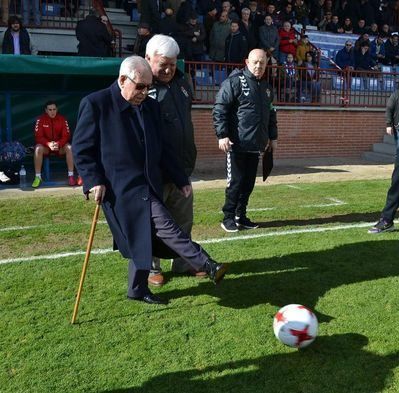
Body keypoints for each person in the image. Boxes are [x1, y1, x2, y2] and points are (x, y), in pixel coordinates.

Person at [72, 56, 227, 304]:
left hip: (149, 183)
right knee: (165, 226)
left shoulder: (151, 107)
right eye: (140, 86)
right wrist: (93, 181)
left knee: (141, 235)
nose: (144, 92)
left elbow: (164, 148)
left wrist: (180, 178)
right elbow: (82, 149)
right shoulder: (96, 104)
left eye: (148, 86)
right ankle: (207, 264)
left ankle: (137, 289)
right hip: (119, 189)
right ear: (123, 80)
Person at [145, 34, 205, 286]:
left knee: (182, 220)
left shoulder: (182, 83)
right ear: (148, 59)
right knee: (151, 223)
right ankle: (150, 267)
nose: (169, 69)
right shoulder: (142, 87)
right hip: (154, 171)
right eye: (163, 64)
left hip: (182, 167)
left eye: (173, 63)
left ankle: (183, 262)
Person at [213, 48, 278, 232]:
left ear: (266, 65)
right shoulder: (234, 82)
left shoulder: (266, 88)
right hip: (236, 144)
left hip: (256, 145)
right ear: (247, 62)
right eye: (255, 62)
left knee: (248, 184)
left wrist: (273, 137)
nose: (259, 65)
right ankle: (228, 217)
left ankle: (241, 216)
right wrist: (222, 135)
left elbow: (271, 114)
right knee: (235, 183)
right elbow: (219, 109)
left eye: (262, 63)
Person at [368, 89, 399, 234]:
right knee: (398, 181)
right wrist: (388, 123)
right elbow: (389, 107)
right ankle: (387, 220)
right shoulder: (397, 94)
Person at [32, 101, 80, 188]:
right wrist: (48, 143)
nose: (52, 112)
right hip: (46, 148)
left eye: (54, 109)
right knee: (38, 148)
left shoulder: (62, 119)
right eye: (50, 110)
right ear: (46, 110)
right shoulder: (40, 119)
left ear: (57, 109)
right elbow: (38, 136)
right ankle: (37, 177)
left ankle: (71, 176)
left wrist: (58, 143)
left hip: (60, 147)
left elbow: (66, 135)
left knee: (69, 147)